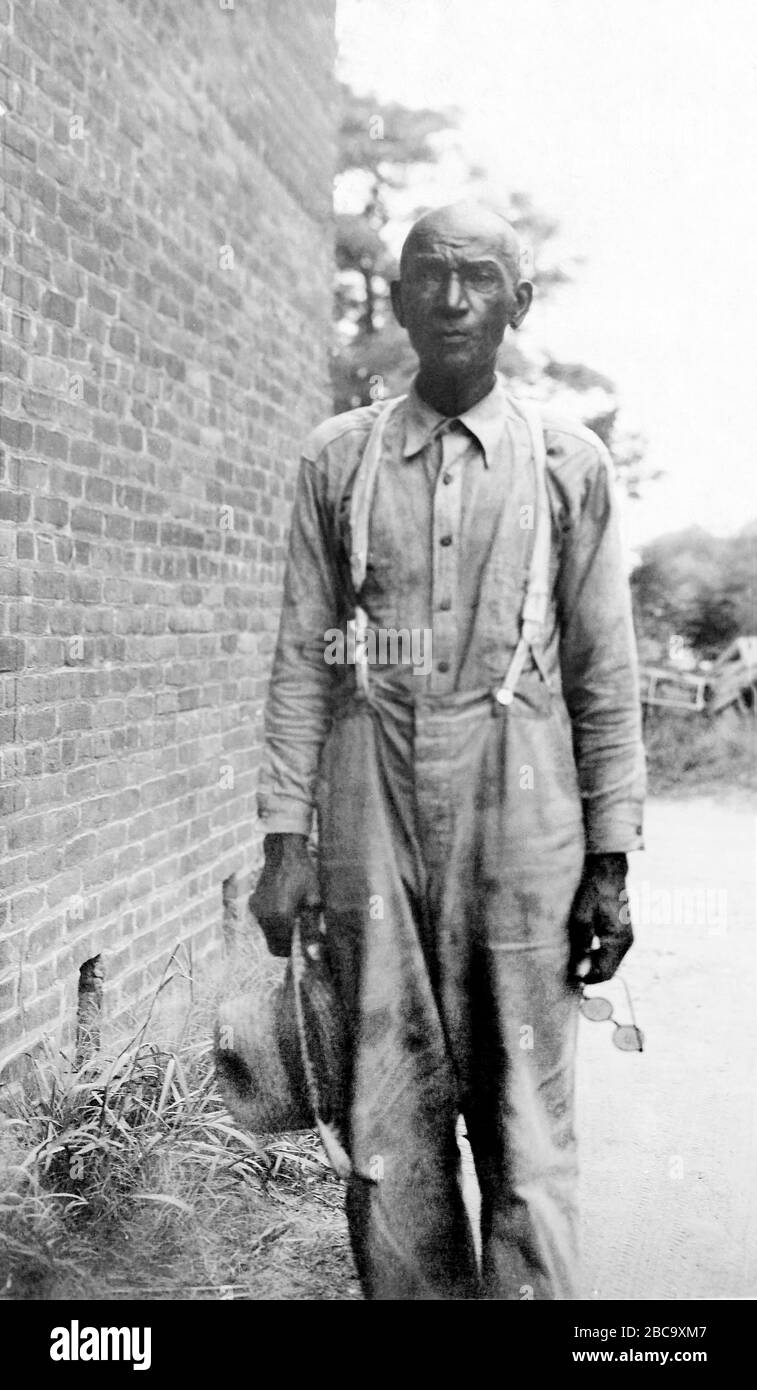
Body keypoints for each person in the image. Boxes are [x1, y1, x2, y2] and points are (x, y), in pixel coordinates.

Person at [251, 200, 646, 1300]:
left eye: (480, 278)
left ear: (520, 301)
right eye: (430, 275)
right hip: (367, 823)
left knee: (526, 1124)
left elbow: (603, 678)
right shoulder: (337, 460)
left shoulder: (571, 465)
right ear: (397, 296)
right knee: (387, 1125)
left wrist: (610, 864)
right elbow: (300, 657)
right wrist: (284, 838)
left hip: (523, 827)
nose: (454, 298)